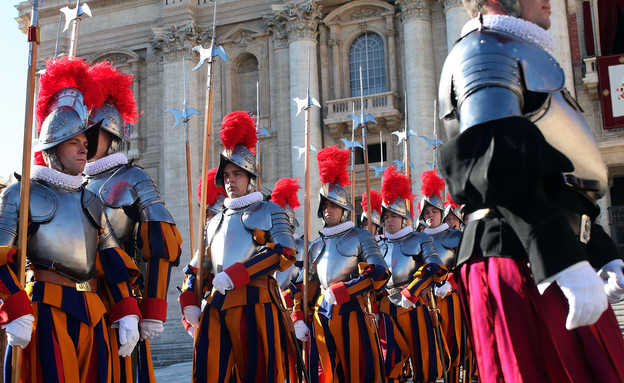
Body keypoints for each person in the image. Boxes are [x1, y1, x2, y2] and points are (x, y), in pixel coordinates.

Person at [437, 0, 624, 381]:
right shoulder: (485, 49)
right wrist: (561, 259)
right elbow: (496, 164)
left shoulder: (518, 49)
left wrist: (600, 251)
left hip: (553, 253)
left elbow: (556, 179)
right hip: (520, 256)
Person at [0, 57, 141, 382]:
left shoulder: (90, 199)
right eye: (75, 143)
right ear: (51, 148)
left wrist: (127, 309)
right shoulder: (22, 193)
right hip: (44, 312)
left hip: (94, 313)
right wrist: (15, 306)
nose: (84, 150)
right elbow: (0, 256)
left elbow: (112, 261)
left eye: (85, 143)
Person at [178, 111, 298, 383]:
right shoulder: (214, 221)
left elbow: (285, 252)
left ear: (249, 177)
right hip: (216, 305)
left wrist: (236, 274)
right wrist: (188, 303)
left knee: (259, 373)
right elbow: (196, 267)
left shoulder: (270, 210)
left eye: (237, 174)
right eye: (227, 175)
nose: (230, 180)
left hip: (257, 304)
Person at [83, 61, 183, 383]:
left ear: (110, 134)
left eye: (90, 133)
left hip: (121, 301)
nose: (83, 142)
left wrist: (153, 308)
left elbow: (161, 243)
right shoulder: (71, 184)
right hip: (74, 299)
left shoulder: (133, 178)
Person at [291, 145, 389, 383]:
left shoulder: (361, 236)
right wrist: (299, 317)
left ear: (344, 208)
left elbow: (378, 273)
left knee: (357, 372)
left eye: (333, 205)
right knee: (324, 375)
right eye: (324, 206)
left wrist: (345, 289)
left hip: (353, 312)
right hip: (321, 315)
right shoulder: (315, 245)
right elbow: (307, 287)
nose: (328, 210)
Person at [376, 167, 447, 383]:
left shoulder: (420, 239)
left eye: (394, 215)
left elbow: (435, 269)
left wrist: (411, 291)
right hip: (386, 307)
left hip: (415, 305)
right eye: (386, 216)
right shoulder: (377, 245)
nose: (389, 220)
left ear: (403, 217)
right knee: (390, 362)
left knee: (423, 362)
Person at [418, 170, 470, 383]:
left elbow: (465, 265)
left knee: (455, 344)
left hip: (451, 297)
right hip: (425, 300)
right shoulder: (417, 238)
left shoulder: (456, 236)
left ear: (441, 212)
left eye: (434, 211)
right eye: (426, 213)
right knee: (429, 349)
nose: (431, 216)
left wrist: (450, 283)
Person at [180, 168, 226, 338]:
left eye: (211, 214)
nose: (208, 219)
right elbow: (193, 273)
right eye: (206, 214)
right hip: (214, 310)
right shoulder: (210, 239)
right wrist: (189, 306)